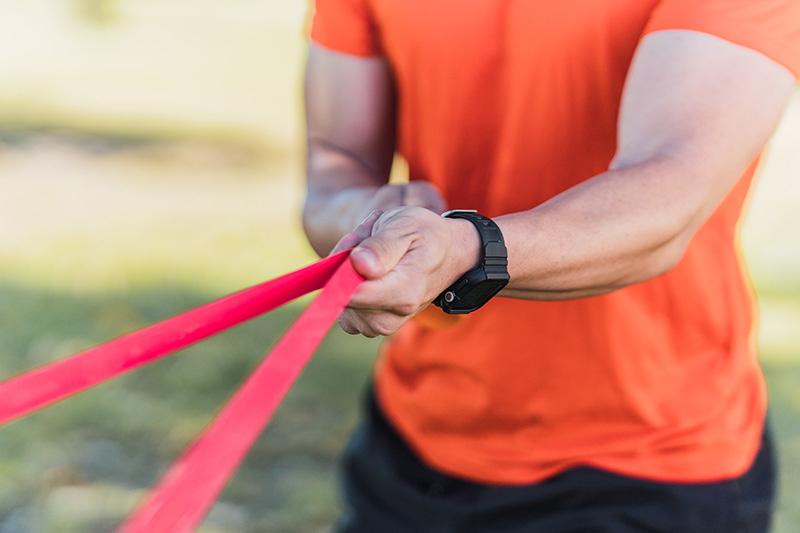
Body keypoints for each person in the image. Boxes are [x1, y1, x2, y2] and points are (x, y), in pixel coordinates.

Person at [302, 1, 800, 531]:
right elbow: (336, 162)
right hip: (416, 436)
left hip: (647, 460)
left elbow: (667, 200)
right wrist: (376, 235)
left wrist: (466, 250)